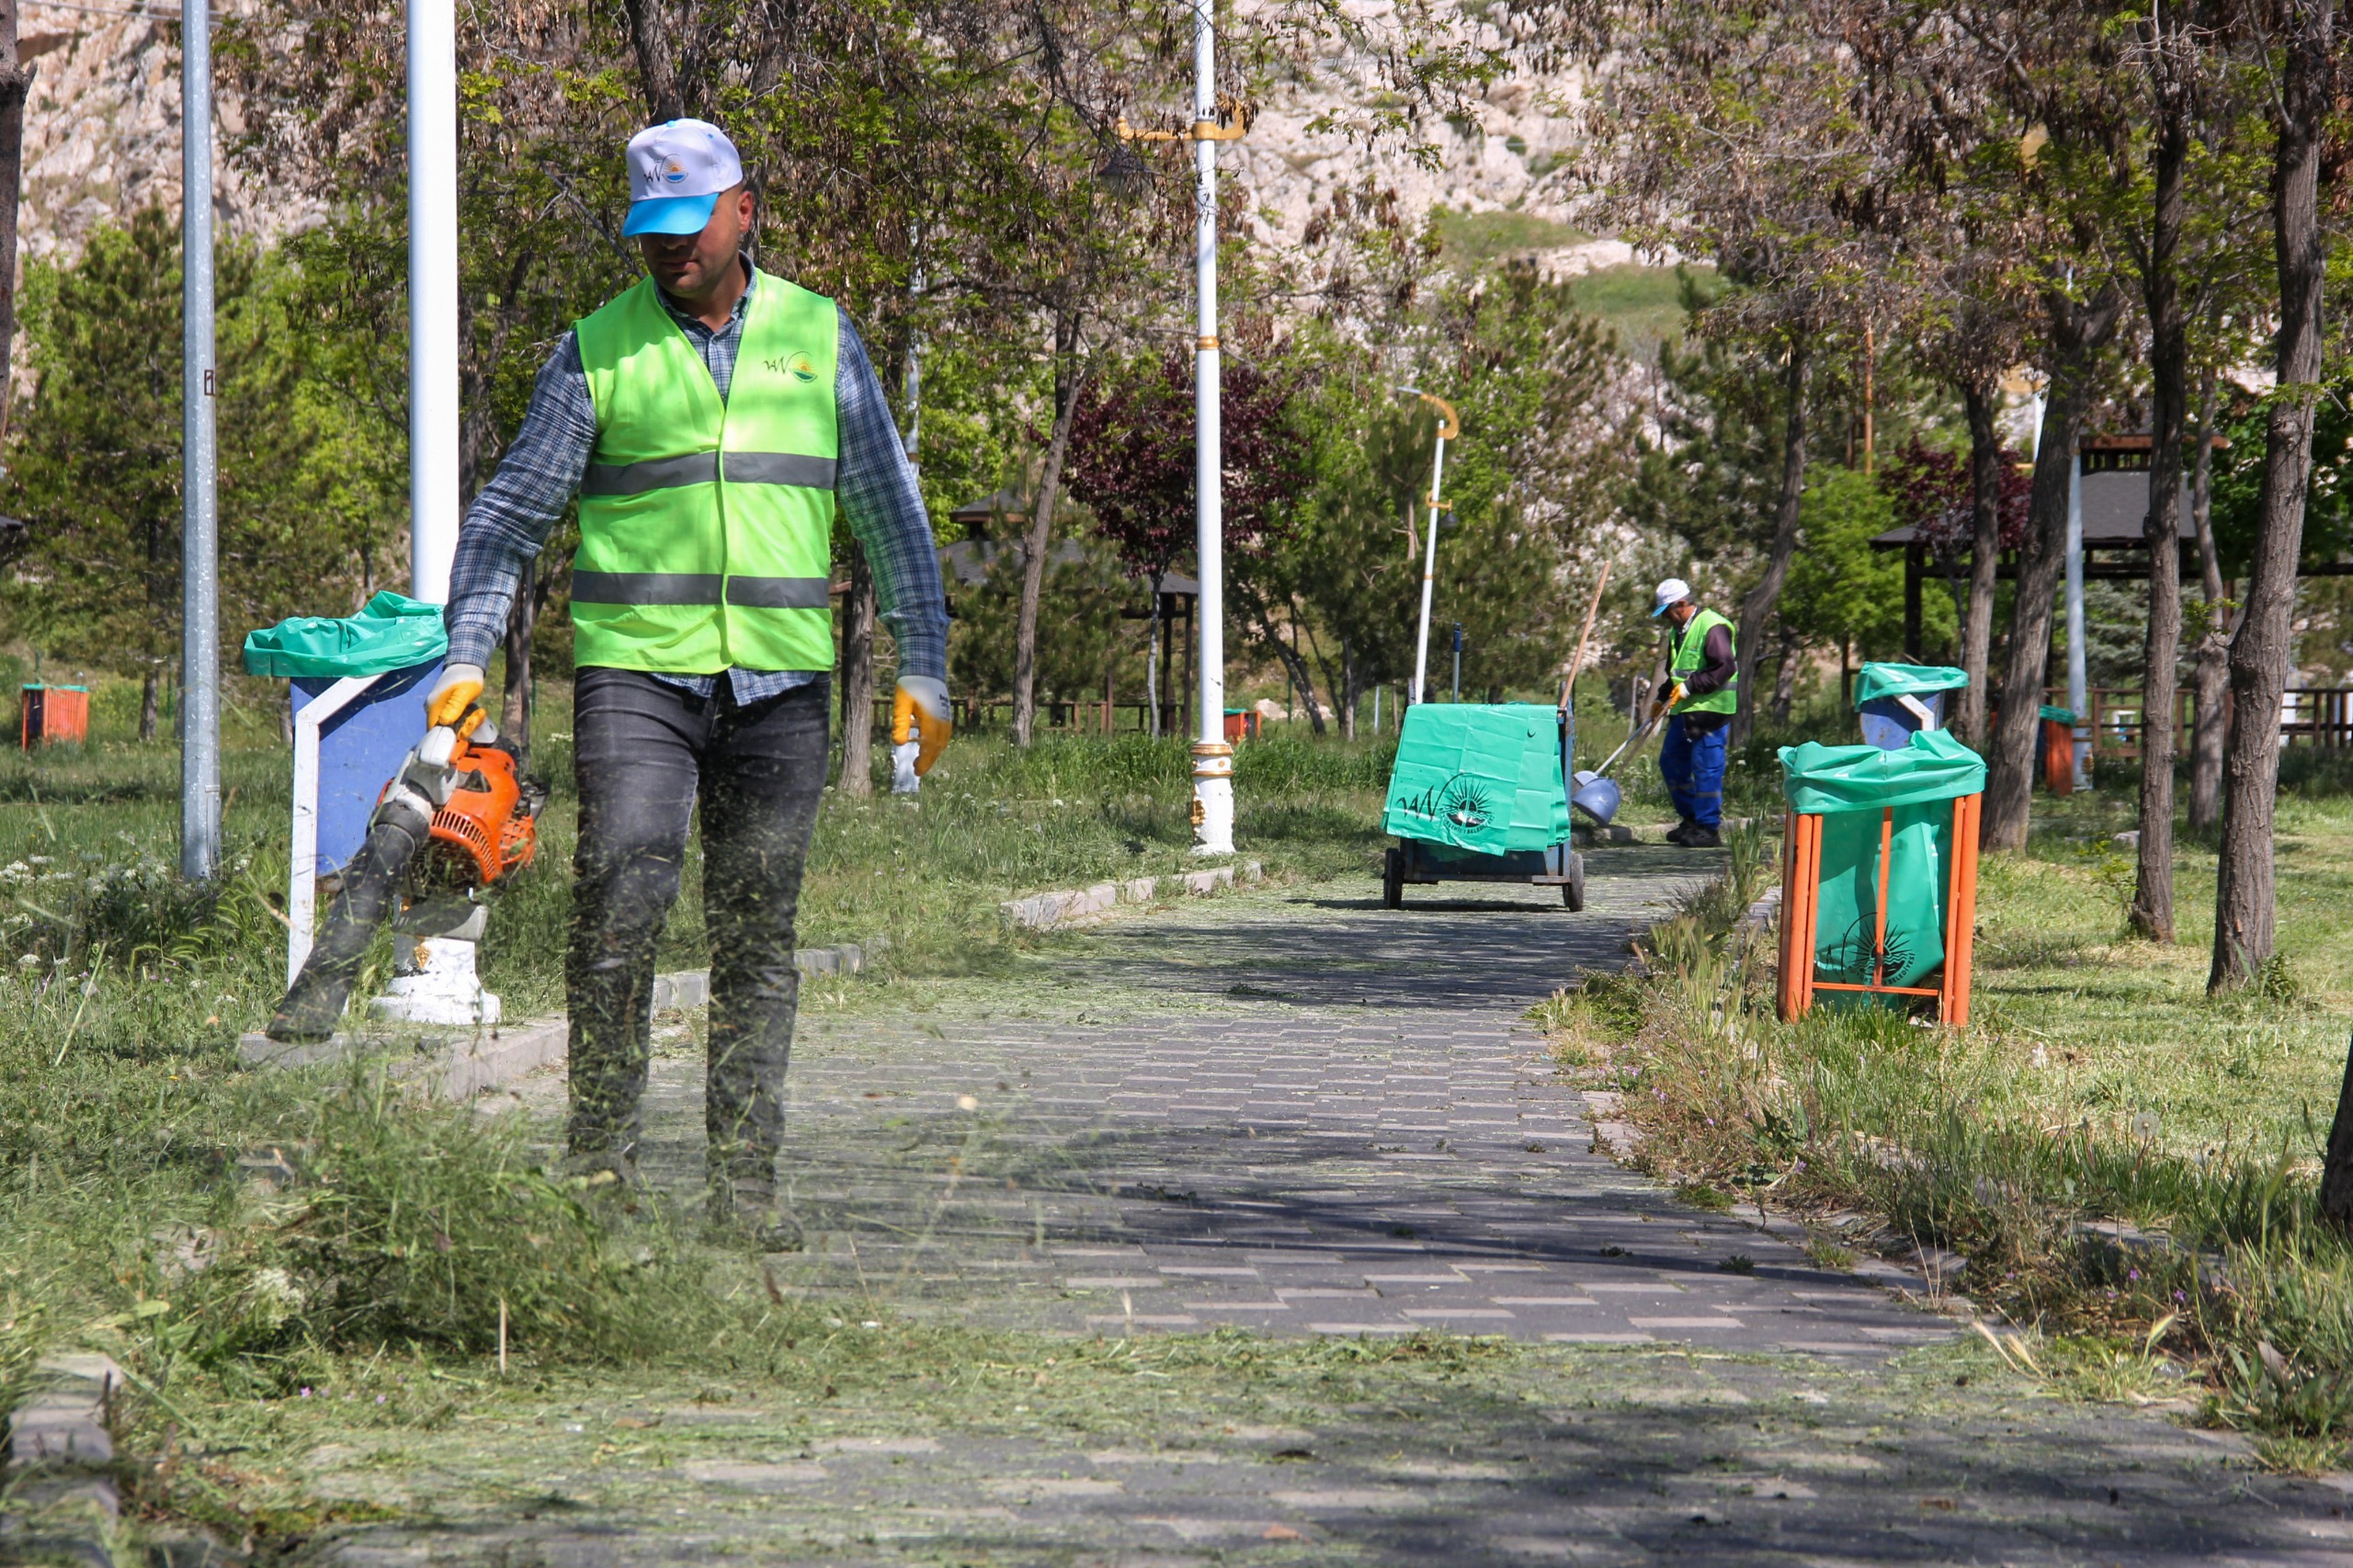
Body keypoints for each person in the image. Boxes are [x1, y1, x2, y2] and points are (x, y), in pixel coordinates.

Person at [427, 119, 951, 1249]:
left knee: (758, 933)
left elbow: (889, 513)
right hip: (637, 682)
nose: (665, 249)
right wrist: (467, 654)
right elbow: (511, 517)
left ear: (743, 211)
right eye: (647, 230)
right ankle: (599, 1184)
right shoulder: (596, 351)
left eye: (686, 225)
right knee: (621, 902)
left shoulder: (821, 336)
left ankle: (744, 1191)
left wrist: (926, 664)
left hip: (780, 691)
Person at [1647, 577, 1736, 849]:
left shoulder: (1713, 626)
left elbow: (1724, 668)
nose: (1667, 620)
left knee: (1706, 769)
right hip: (1685, 710)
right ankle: (1691, 818)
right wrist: (1661, 698)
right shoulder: (1677, 632)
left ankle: (1709, 829)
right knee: (1671, 762)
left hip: (1712, 711)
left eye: (1669, 613)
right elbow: (1675, 674)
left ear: (1682, 604)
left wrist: (1690, 687)